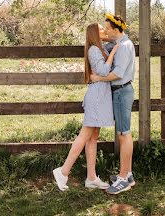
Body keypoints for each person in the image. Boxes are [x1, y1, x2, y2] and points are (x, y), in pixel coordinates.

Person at [53, 23, 118, 191]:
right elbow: (104, 71)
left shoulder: (100, 48)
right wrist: (114, 53)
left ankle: (91, 178)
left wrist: (113, 47)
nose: (105, 30)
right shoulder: (94, 50)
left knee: (93, 137)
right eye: (102, 29)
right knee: (85, 135)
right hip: (96, 98)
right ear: (95, 33)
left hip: (100, 97)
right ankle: (63, 171)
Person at [90, 13, 136, 195]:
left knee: (124, 134)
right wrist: (98, 34)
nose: (106, 31)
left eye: (108, 29)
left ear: (116, 30)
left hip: (122, 92)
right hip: (118, 92)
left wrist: (98, 77)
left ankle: (123, 179)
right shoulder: (116, 43)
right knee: (122, 133)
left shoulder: (124, 46)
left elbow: (117, 74)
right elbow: (101, 43)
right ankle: (128, 175)